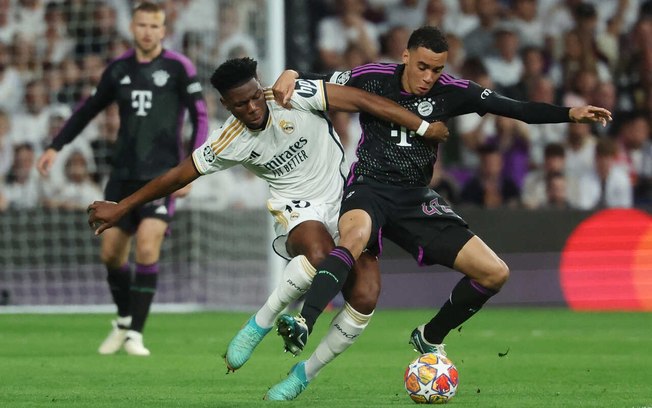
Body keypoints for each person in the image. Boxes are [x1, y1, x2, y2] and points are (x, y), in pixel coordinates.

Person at [271, 25, 612, 400]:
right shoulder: (372, 77)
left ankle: (430, 335)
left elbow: (516, 109)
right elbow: (319, 82)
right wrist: (291, 73)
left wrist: (571, 113)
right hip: (368, 187)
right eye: (422, 67)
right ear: (406, 56)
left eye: (436, 69)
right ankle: (305, 319)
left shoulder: (453, 90)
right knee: (353, 238)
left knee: (495, 272)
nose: (429, 78)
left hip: (415, 199)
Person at [86, 57, 448, 397]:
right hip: (297, 208)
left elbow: (363, 100)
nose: (253, 107)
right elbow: (177, 175)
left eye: (256, 96)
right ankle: (260, 323)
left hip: (349, 200)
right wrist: (122, 208)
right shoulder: (229, 139)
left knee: (366, 294)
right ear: (228, 107)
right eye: (241, 104)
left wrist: (419, 126)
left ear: (261, 87)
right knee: (321, 252)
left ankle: (303, 375)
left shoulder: (294, 95)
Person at [36, 2, 209, 356]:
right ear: (132, 27)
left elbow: (201, 116)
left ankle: (135, 335)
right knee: (111, 254)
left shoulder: (179, 67)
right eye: (141, 24)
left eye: (153, 26)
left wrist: (194, 165)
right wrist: (56, 146)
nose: (147, 31)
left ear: (163, 30)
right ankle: (124, 319)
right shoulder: (118, 69)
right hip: (123, 176)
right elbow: (88, 109)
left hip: (163, 178)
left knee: (147, 244)